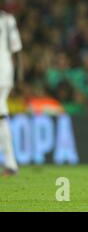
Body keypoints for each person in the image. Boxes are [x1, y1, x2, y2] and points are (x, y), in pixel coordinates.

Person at [0, 10, 23, 176]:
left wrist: (19, 78)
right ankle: (11, 163)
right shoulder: (8, 19)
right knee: (1, 117)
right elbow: (17, 50)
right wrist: (18, 78)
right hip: (5, 74)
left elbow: (17, 50)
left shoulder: (7, 19)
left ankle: (11, 163)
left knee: (1, 116)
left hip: (2, 74)